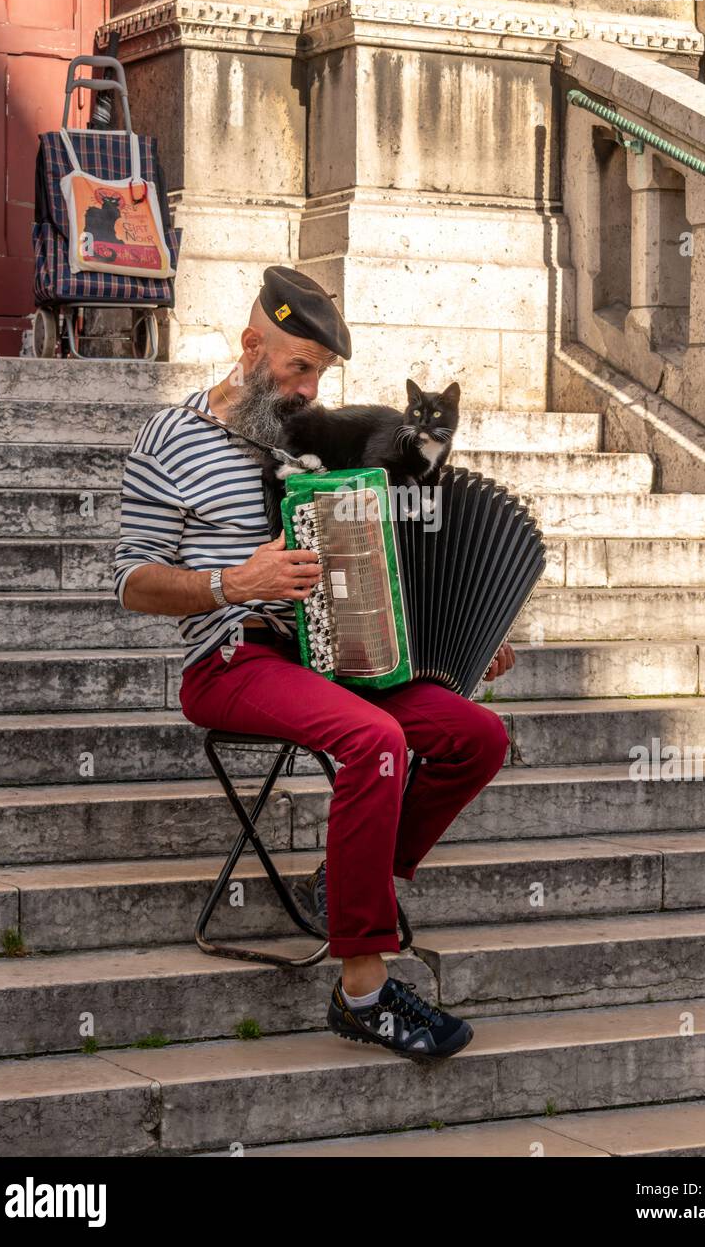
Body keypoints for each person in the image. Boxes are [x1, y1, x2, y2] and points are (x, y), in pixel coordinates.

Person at [114, 264, 516, 1062]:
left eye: (321, 374)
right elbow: (130, 582)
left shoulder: (326, 446)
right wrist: (232, 581)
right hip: (235, 657)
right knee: (374, 742)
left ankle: (348, 881)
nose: (307, 389)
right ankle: (363, 993)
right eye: (299, 367)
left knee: (478, 734)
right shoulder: (171, 439)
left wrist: (465, 630)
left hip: (343, 656)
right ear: (251, 345)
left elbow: (389, 555)